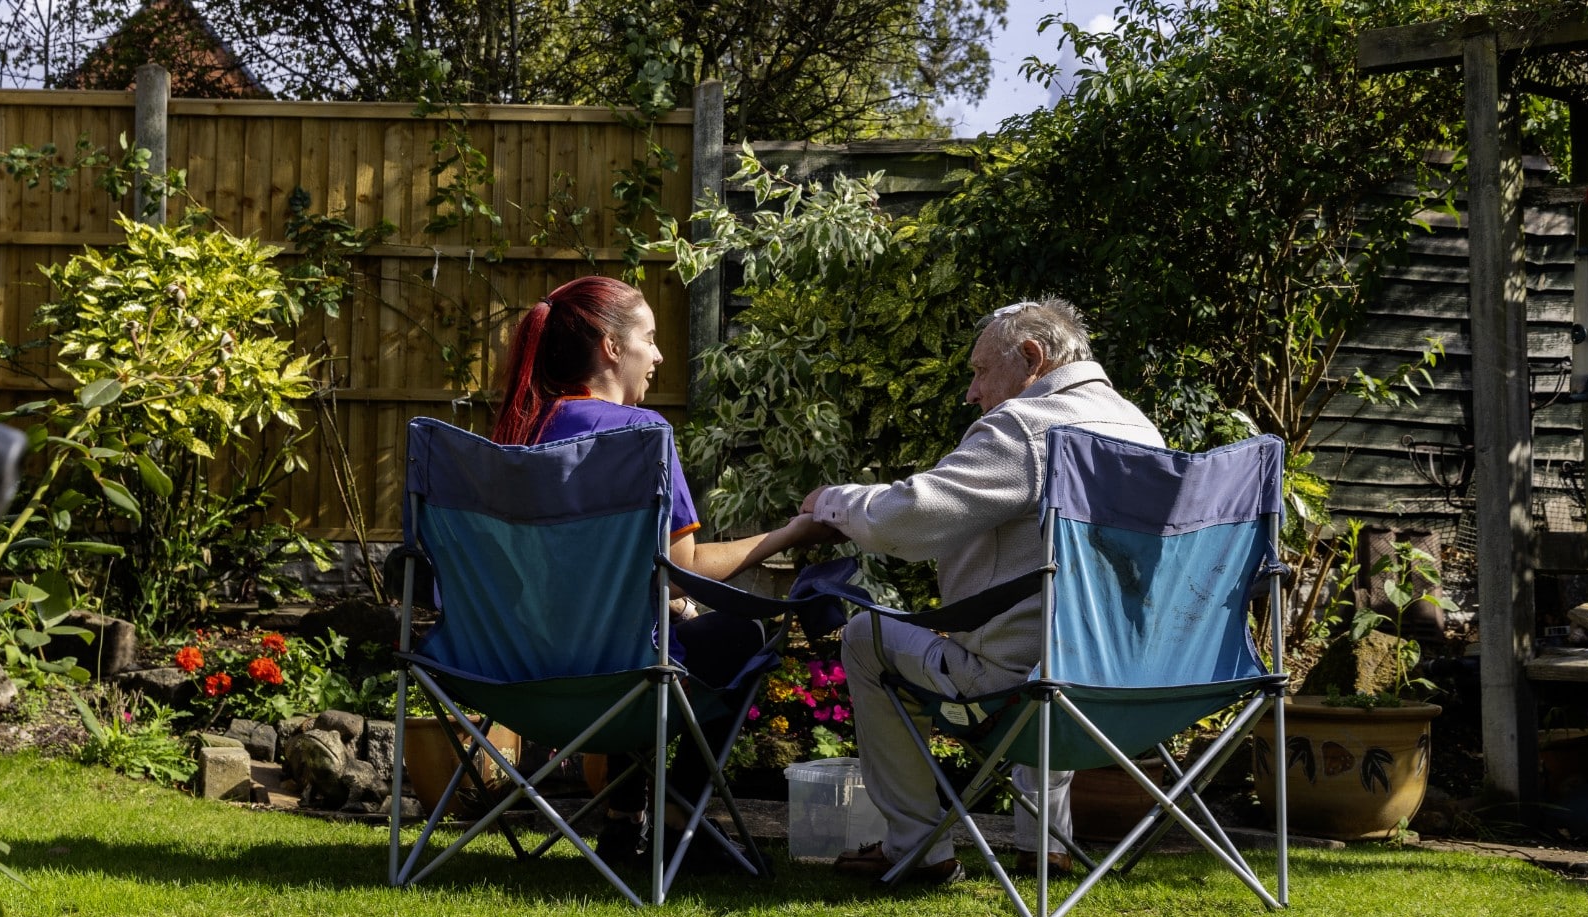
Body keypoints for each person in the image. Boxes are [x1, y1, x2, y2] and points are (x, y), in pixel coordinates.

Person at [800, 298, 1164, 882]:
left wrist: (832, 502)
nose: (972, 392)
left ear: (1032, 358)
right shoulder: (1140, 429)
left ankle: (917, 849)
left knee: (867, 635)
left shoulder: (1028, 428)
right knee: (1054, 627)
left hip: (1018, 689)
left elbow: (907, 520)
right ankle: (1045, 844)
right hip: (1132, 683)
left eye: (980, 371)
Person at [491, 275, 830, 865]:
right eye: (649, 339)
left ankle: (626, 819)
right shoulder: (642, 436)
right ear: (611, 347)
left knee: (651, 625)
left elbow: (570, 572)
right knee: (740, 635)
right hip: (621, 681)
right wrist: (790, 534)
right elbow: (683, 567)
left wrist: (666, 599)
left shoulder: (517, 439)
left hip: (518, 678)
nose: (660, 356)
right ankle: (676, 820)